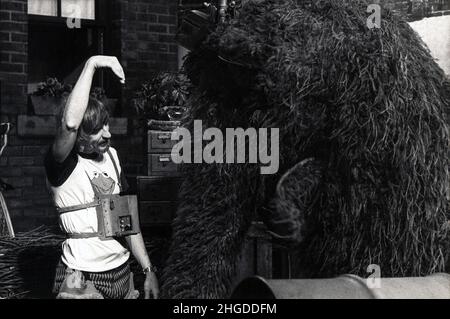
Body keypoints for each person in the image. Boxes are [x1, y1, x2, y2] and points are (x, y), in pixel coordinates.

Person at [44, 55, 159, 299]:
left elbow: (127, 221)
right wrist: (92, 64)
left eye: (106, 124)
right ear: (80, 136)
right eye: (96, 130)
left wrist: (148, 269)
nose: (107, 134)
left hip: (122, 273)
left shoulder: (113, 158)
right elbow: (70, 124)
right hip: (82, 277)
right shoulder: (62, 164)